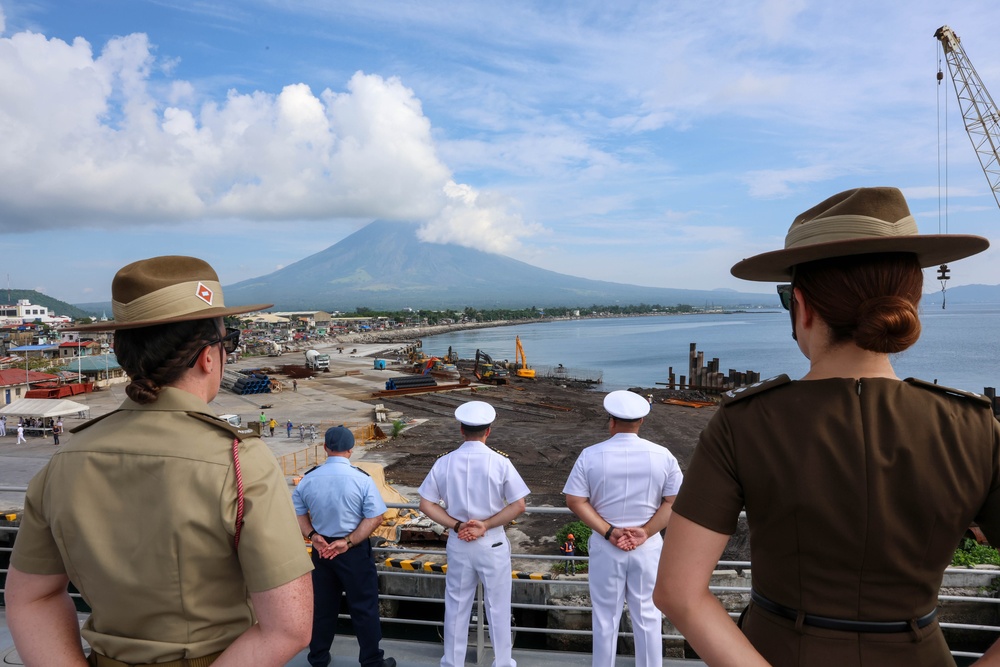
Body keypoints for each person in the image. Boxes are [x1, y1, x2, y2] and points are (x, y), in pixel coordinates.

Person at [654, 187, 998, 667]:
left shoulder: (745, 422)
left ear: (803, 306)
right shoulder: (975, 426)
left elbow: (678, 592)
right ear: (910, 303)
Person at [6, 255, 314, 666]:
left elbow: (32, 597)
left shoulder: (66, 458)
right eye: (229, 341)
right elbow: (289, 627)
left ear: (121, 353)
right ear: (208, 356)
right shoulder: (239, 460)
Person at [563, 389, 683, 667]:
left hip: (607, 547)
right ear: (641, 421)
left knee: (605, 618)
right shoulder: (662, 455)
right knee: (648, 616)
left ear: (611, 421)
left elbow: (575, 500)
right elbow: (675, 502)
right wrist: (646, 531)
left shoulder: (590, 455)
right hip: (647, 547)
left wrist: (609, 531)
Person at [418, 401, 530, 667]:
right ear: (488, 431)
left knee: (457, 607)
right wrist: (486, 525)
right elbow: (519, 504)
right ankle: (502, 662)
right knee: (498, 607)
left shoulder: (444, 462)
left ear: (461, 430)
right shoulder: (500, 462)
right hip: (491, 543)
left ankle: (453, 663)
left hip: (459, 542)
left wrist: (456, 526)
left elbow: (425, 504)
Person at [292, 426, 396, 667]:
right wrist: (348, 542)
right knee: (364, 606)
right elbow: (375, 517)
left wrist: (313, 535)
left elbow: (298, 513)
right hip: (353, 552)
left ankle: (318, 657)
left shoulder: (308, 479)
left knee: (323, 606)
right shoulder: (361, 479)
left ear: (326, 448)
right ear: (351, 450)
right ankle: (371, 661)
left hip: (322, 550)